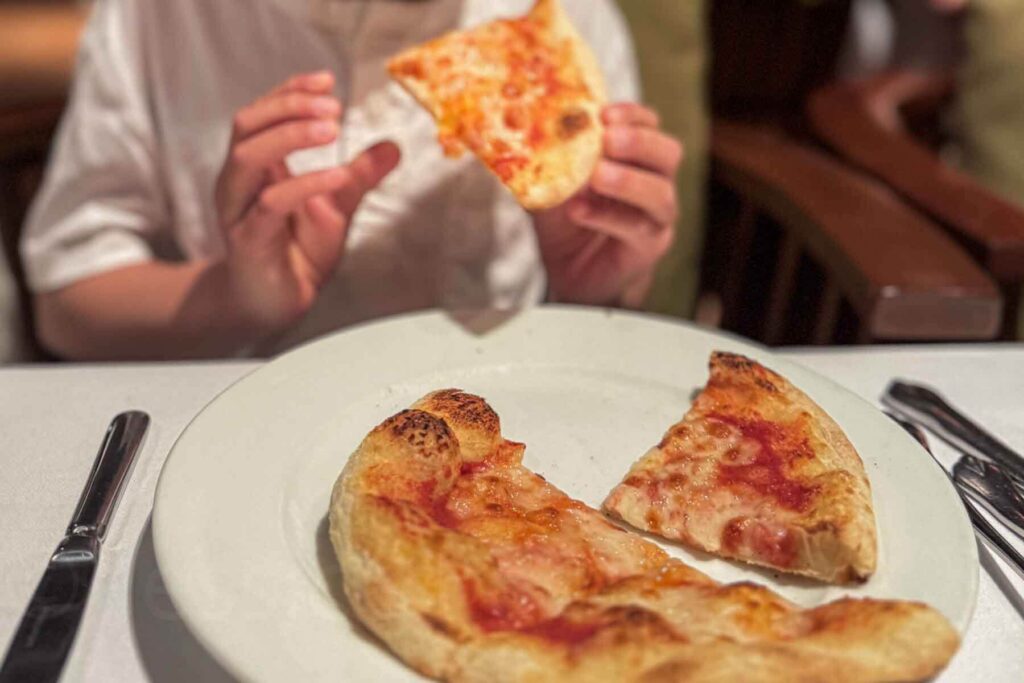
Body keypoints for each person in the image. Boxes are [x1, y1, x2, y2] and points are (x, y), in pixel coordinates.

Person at [20, 0, 682, 360]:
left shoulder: (566, 19)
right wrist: (236, 295)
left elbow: (608, 301)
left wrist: (595, 280)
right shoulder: (161, 18)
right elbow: (66, 307)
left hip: (506, 418)